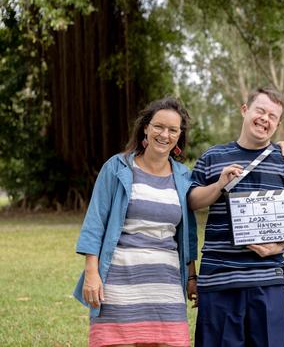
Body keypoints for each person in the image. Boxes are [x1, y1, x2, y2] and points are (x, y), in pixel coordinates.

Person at [73, 97, 198, 347]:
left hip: (166, 284)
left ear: (179, 135)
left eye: (173, 129)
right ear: (145, 127)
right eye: (158, 126)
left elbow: (188, 232)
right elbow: (95, 221)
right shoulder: (118, 167)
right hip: (119, 281)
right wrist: (91, 273)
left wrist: (192, 277)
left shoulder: (184, 176)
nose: (165, 134)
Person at [188, 87, 284, 347]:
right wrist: (219, 184)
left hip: (267, 279)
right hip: (219, 278)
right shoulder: (212, 157)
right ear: (245, 110)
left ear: (278, 123)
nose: (265, 119)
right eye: (260, 110)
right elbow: (192, 201)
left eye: (272, 116)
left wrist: (280, 245)